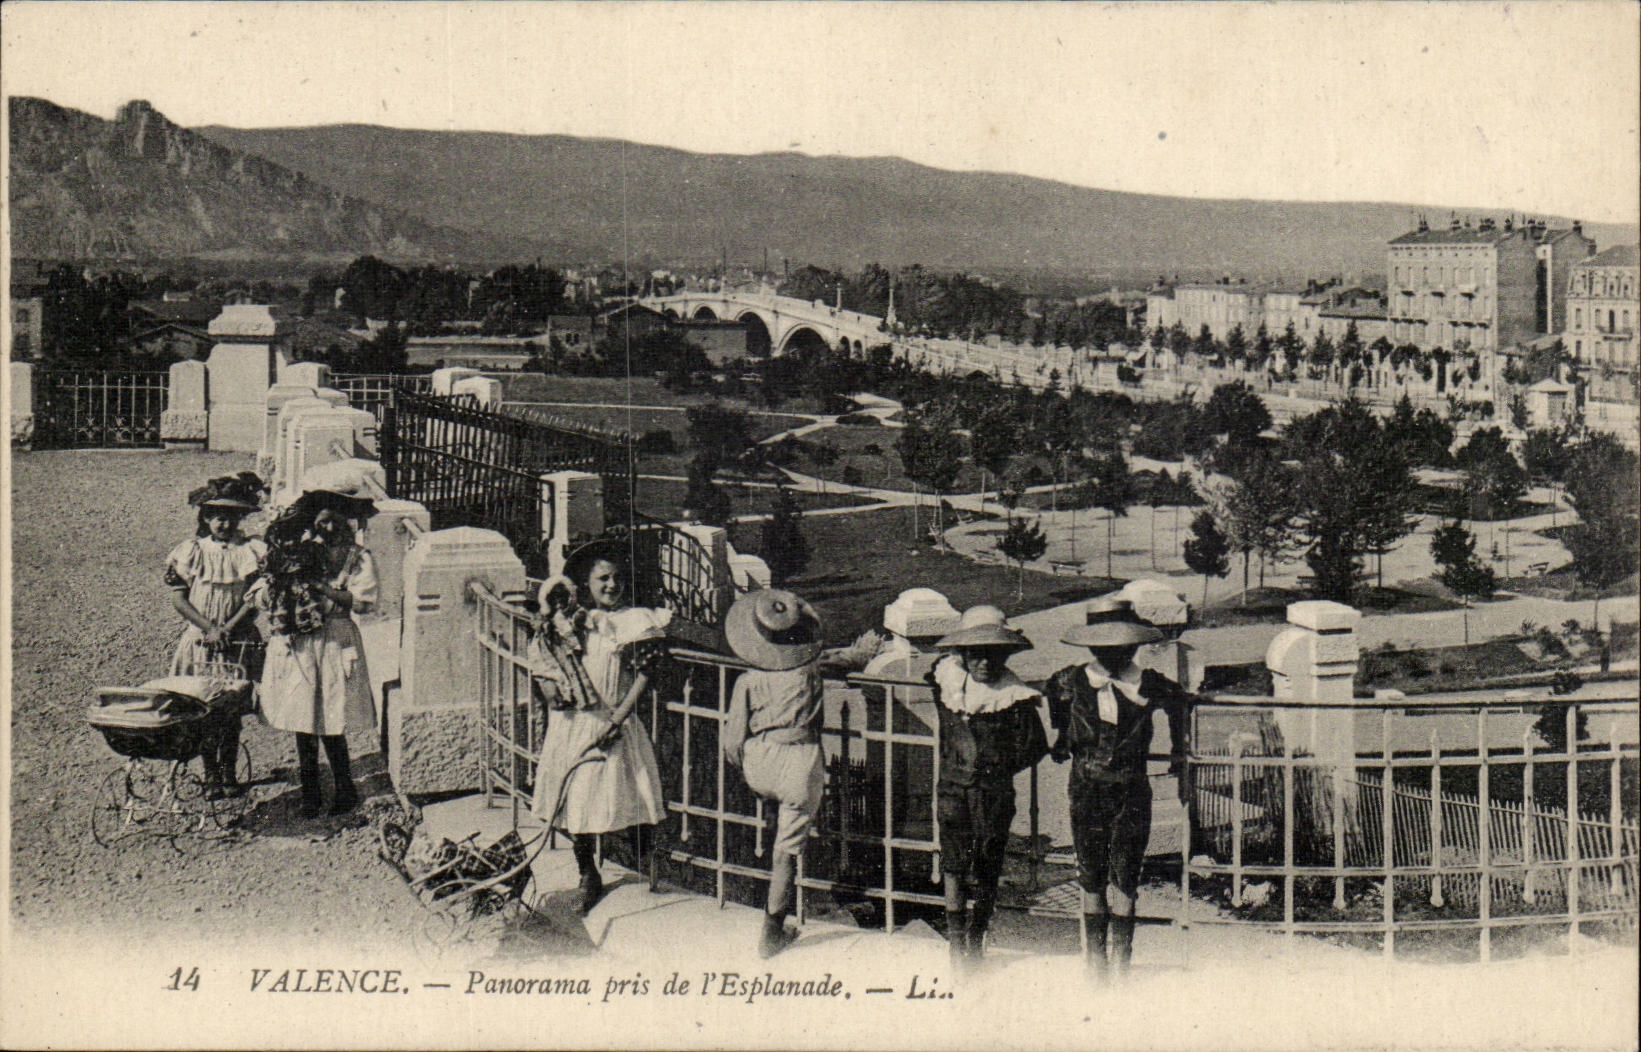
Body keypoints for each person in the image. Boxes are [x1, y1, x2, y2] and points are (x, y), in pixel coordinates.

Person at [1045, 605, 1194, 982]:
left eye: (1122, 648)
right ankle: (1097, 966)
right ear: (1092, 647)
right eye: (1104, 648)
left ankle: (1122, 965)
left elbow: (1180, 705)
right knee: (1091, 872)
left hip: (1130, 791)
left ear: (1133, 647)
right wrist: (1063, 738)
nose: (1113, 656)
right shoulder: (1068, 682)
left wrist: (1179, 751)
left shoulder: (1150, 683)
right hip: (1086, 789)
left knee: (1126, 874)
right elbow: (1055, 705)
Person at [529, 538, 670, 915]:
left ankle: (644, 860)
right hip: (575, 721)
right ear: (587, 585)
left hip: (613, 720)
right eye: (603, 579)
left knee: (624, 796)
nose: (611, 585)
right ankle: (587, 874)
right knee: (573, 797)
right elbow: (549, 658)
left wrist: (618, 718)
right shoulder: (579, 621)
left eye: (617, 578)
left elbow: (645, 675)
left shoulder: (636, 621)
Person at [928, 606, 1049, 970]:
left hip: (993, 792)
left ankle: (977, 937)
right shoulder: (946, 682)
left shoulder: (1014, 696)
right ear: (961, 655)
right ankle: (956, 942)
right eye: (975, 653)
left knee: (987, 863)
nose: (984, 662)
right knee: (952, 862)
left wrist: (997, 766)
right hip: (952, 788)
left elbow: (1034, 745)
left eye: (993, 654)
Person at [254, 488, 379, 819]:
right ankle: (310, 791)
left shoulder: (356, 557)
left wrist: (323, 588)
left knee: (332, 716)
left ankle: (345, 788)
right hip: (302, 640)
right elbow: (262, 593)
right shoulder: (299, 552)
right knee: (303, 716)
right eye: (320, 522)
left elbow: (364, 601)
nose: (326, 529)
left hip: (335, 638)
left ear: (343, 524)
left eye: (333, 523)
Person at [720, 589, 825, 959]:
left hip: (759, 762)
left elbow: (732, 743)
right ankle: (772, 931)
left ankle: (766, 809)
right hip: (799, 762)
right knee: (786, 852)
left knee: (773, 808)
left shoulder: (746, 681)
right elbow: (840, 658)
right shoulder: (811, 673)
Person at [165, 472, 267, 798]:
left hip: (236, 639)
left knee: (231, 709)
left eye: (230, 517)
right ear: (206, 517)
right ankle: (210, 774)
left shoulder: (250, 551)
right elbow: (179, 597)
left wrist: (228, 627)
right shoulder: (192, 550)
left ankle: (228, 772)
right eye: (216, 517)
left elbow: (255, 599)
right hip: (201, 639)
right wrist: (209, 627)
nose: (223, 524)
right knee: (203, 707)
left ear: (240, 519)